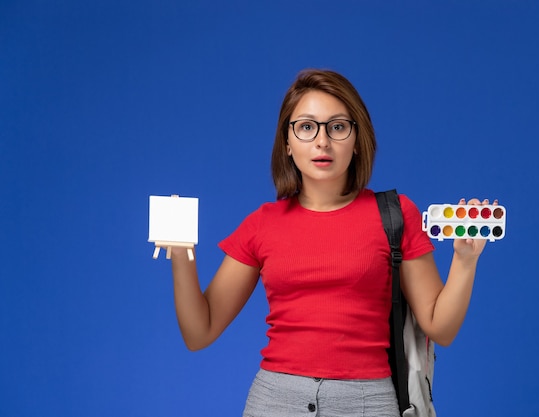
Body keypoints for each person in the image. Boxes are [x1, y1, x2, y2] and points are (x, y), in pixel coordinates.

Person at [167, 69, 494, 417]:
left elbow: (440, 329)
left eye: (337, 127)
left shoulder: (396, 214)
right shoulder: (262, 224)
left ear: (356, 141)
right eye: (307, 127)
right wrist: (179, 249)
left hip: (368, 403)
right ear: (288, 143)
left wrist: (465, 260)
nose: (322, 141)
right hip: (276, 401)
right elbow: (198, 333)